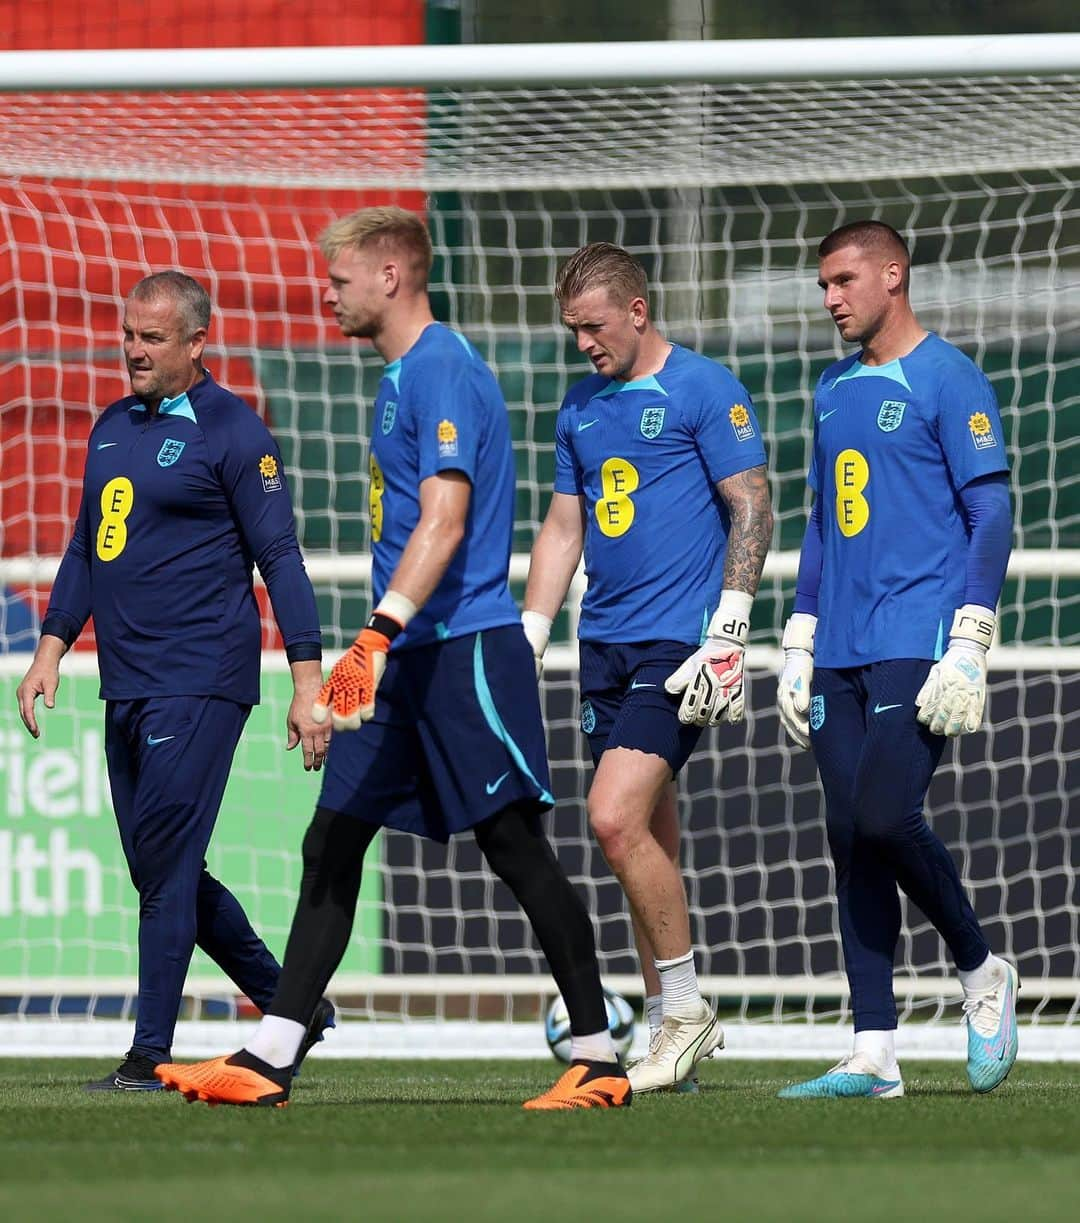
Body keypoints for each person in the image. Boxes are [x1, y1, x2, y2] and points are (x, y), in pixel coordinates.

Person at [153, 207, 631, 1111]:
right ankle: (272, 1053)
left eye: (337, 281)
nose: (325, 295)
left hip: (459, 649)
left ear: (391, 276)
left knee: (516, 847)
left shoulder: (443, 369)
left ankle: (600, 1057)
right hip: (404, 653)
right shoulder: (400, 378)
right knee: (331, 837)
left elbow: (446, 523)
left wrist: (368, 641)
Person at [15, 271, 335, 1091]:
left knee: (164, 865)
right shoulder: (112, 427)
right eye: (129, 334)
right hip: (124, 679)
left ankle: (147, 1054)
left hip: (202, 676)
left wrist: (309, 682)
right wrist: (52, 645)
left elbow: (282, 559)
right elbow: (89, 545)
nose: (133, 350)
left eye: (151, 338)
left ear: (197, 343)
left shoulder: (234, 431)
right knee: (163, 867)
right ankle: (294, 1006)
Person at [522, 242, 773, 1094]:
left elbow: (752, 502)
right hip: (606, 646)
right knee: (645, 840)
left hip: (681, 647)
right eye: (572, 330)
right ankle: (674, 1031)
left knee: (612, 818)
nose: (584, 343)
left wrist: (731, 629)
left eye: (594, 327)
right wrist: (532, 630)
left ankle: (689, 1013)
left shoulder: (704, 387)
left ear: (636, 311)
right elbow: (565, 528)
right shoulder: (580, 406)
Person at [775, 220, 1018, 1099]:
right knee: (848, 838)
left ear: (893, 274)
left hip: (919, 636)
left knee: (884, 814)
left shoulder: (949, 378)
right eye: (823, 286)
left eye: (843, 280)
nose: (832, 298)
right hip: (837, 640)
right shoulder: (833, 387)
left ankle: (981, 969)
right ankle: (873, 1049)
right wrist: (799, 634)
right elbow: (816, 520)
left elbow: (991, 515)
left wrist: (970, 638)